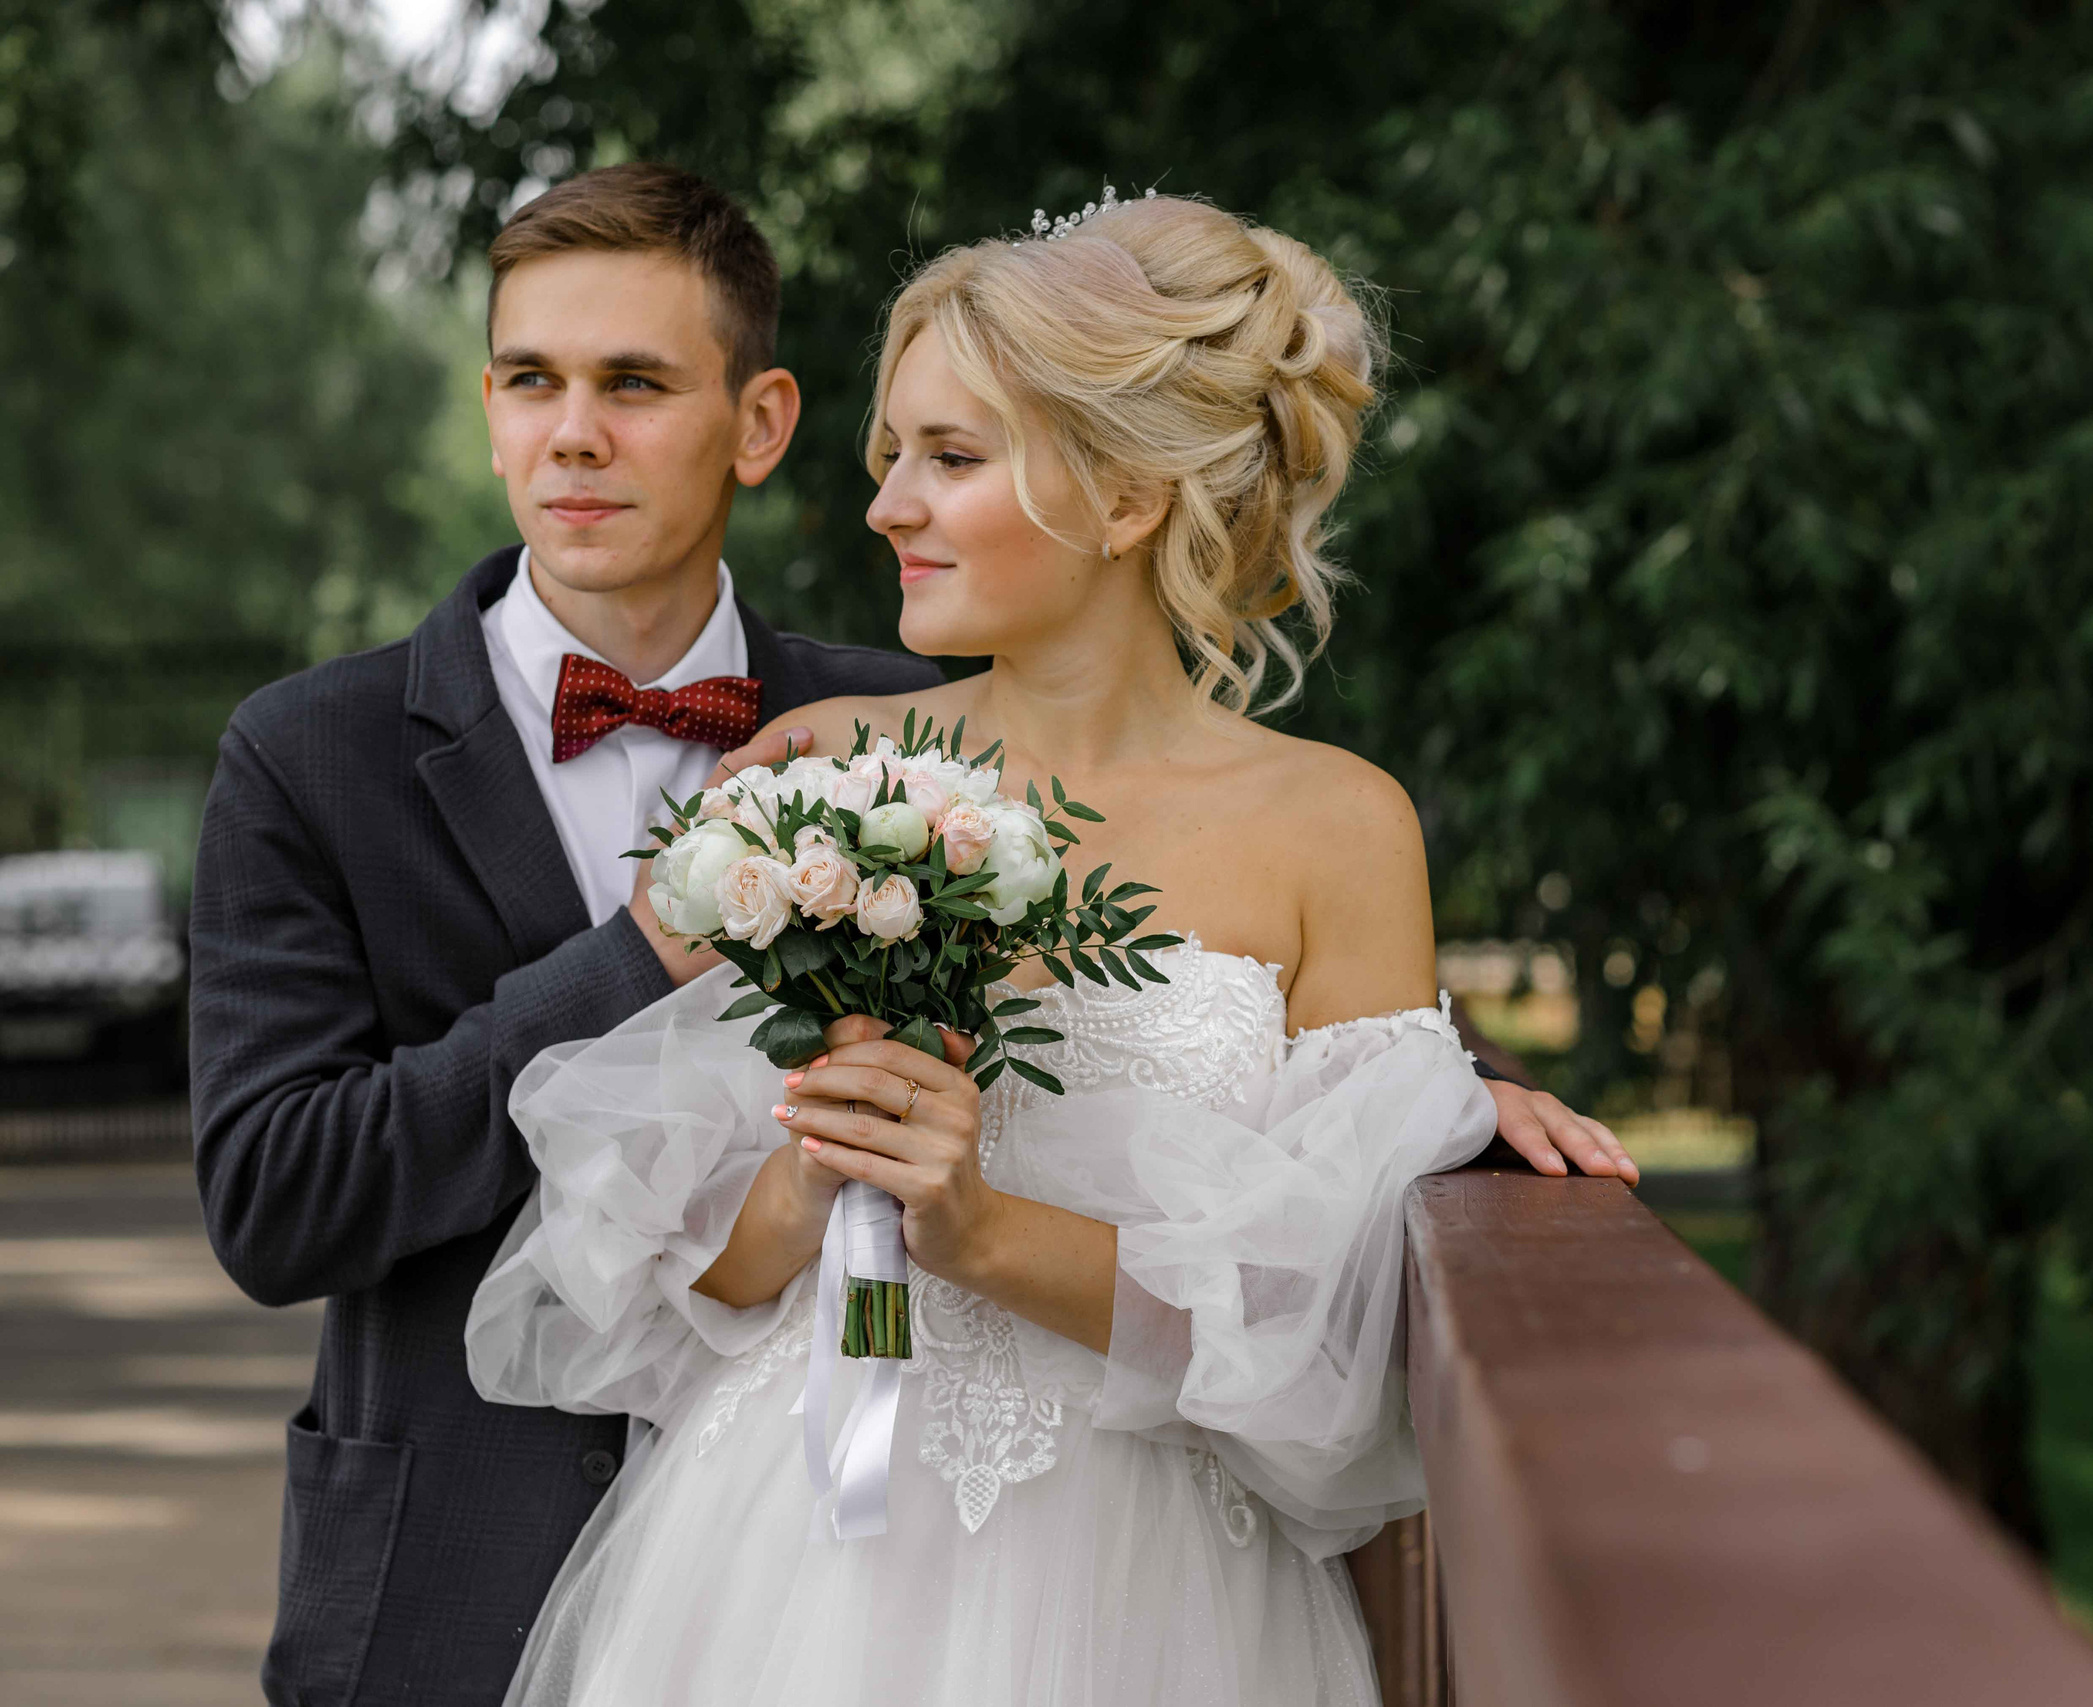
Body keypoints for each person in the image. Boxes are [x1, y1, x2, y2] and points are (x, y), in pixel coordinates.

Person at [192, 167, 1625, 1706]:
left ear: (1127, 495)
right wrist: (801, 1160)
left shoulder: (1308, 817)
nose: (885, 503)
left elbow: (1313, 1269)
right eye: (532, 379)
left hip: (1154, 1585)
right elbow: (646, 1239)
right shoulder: (834, 764)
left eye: (946, 455)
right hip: (761, 1564)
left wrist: (1447, 1109)